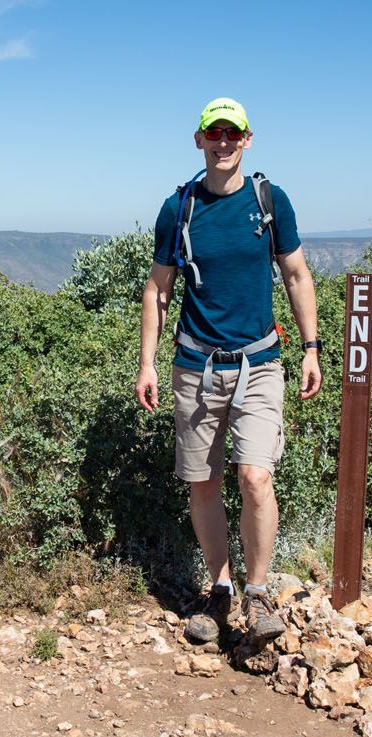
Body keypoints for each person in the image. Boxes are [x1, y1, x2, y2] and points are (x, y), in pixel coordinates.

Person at [134, 97, 322, 647]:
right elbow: (158, 288)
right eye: (213, 134)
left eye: (232, 134)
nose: (222, 142)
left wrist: (311, 347)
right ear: (199, 141)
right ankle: (219, 591)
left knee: (255, 477)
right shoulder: (180, 208)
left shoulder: (269, 201)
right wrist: (146, 363)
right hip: (195, 365)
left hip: (259, 363)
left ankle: (257, 591)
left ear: (248, 140)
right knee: (204, 482)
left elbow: (296, 275)